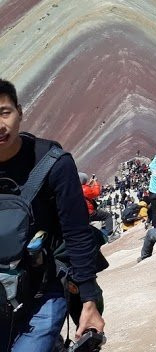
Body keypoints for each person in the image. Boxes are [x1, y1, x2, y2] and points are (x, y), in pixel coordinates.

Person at [0, 79, 106, 351]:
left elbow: (77, 233)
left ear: (20, 112)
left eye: (4, 112)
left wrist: (89, 300)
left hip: (44, 288)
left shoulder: (53, 164)